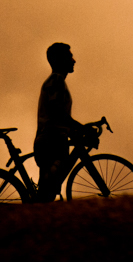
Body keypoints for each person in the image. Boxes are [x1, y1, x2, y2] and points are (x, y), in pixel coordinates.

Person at [34, 42, 85, 202]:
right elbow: (57, 114)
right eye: (69, 56)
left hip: (53, 139)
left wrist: (75, 129)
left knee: (49, 192)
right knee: (47, 191)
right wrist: (81, 128)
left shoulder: (56, 81)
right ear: (59, 59)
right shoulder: (56, 80)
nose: (73, 60)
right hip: (52, 141)